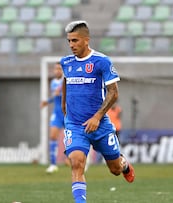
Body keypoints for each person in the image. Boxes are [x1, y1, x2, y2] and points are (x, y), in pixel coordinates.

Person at [60, 20, 135, 203]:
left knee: (115, 169)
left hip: (100, 125)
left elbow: (114, 93)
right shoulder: (66, 62)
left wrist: (97, 117)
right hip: (76, 125)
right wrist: (64, 106)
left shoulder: (101, 62)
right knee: (76, 162)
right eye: (69, 41)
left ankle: (124, 165)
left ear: (86, 40)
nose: (71, 45)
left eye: (75, 40)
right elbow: (65, 82)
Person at [40, 62, 65, 173]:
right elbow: (55, 96)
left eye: (59, 69)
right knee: (53, 136)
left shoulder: (67, 82)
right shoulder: (53, 83)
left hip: (68, 114)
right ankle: (53, 164)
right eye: (55, 69)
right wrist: (47, 101)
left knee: (74, 139)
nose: (57, 71)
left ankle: (79, 161)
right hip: (57, 113)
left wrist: (61, 91)